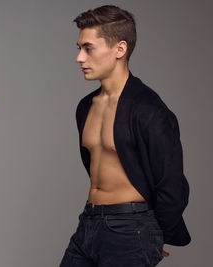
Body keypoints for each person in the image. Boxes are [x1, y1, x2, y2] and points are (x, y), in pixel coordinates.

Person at [60, 5, 190, 267]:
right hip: (88, 222)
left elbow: (172, 185)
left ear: (120, 49)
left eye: (88, 48)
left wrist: (153, 235)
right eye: (79, 49)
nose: (79, 58)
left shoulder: (149, 110)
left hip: (131, 228)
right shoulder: (86, 107)